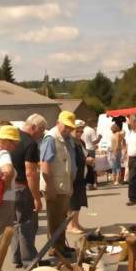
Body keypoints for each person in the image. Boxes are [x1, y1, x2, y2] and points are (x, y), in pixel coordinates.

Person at [10, 114, 47, 268]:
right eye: (42, 130)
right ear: (34, 128)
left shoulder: (13, 137)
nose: (42, 134)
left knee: (16, 223)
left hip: (9, 187)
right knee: (27, 223)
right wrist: (36, 197)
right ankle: (29, 260)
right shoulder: (30, 143)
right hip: (22, 187)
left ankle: (17, 256)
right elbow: (30, 172)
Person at [40, 110, 76, 257]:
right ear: (58, 123)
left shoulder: (67, 138)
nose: (68, 129)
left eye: (70, 127)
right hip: (55, 185)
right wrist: (50, 186)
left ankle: (61, 245)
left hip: (64, 184)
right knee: (55, 219)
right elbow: (45, 164)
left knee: (61, 218)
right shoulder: (51, 138)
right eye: (66, 126)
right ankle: (55, 248)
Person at [68, 122, 94, 233]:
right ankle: (70, 225)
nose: (79, 133)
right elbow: (72, 159)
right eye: (77, 131)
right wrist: (85, 160)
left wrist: (89, 159)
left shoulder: (81, 142)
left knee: (79, 201)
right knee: (73, 202)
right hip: (74, 175)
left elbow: (85, 154)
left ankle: (76, 223)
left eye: (81, 131)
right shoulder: (70, 142)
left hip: (81, 175)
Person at [81, 119, 101, 189]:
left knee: (85, 167)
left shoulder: (83, 130)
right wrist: (99, 138)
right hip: (90, 149)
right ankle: (92, 183)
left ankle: (86, 183)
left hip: (84, 148)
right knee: (92, 167)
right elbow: (94, 142)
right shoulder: (91, 130)